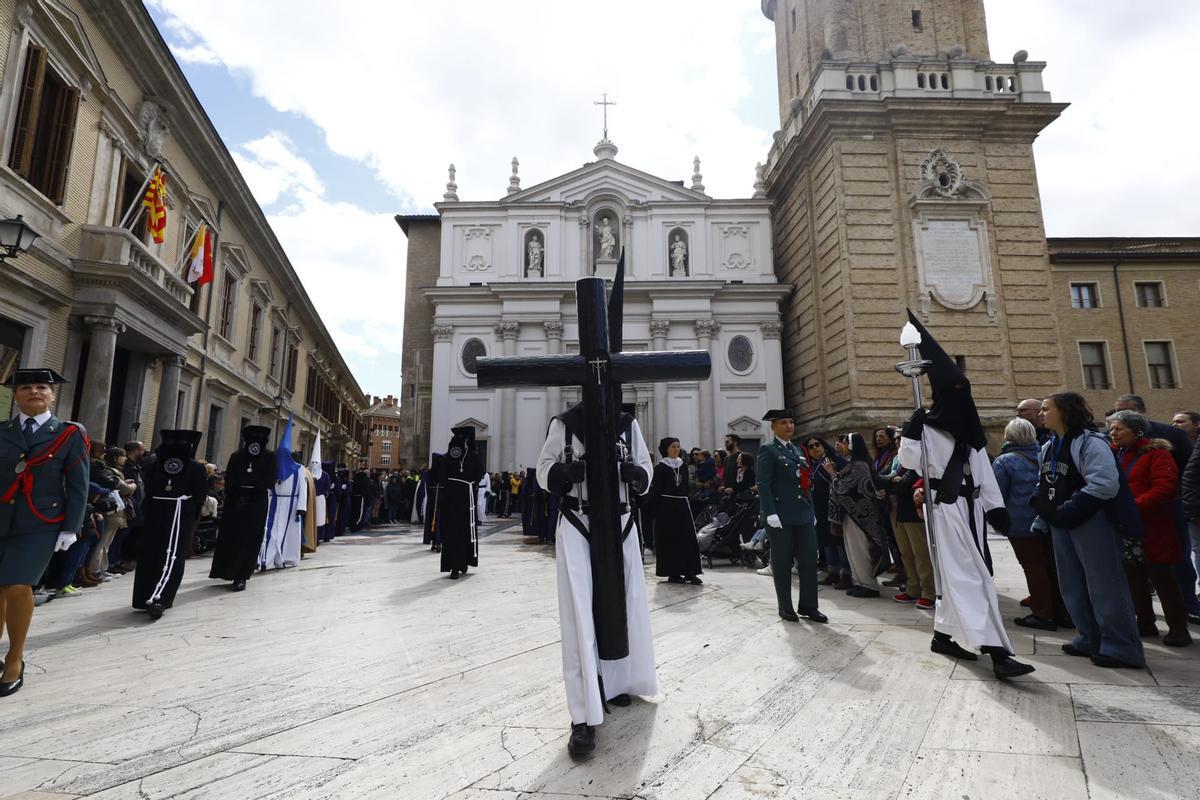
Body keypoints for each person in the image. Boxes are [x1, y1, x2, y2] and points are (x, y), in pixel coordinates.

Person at [898, 313, 1035, 679]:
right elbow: (910, 463)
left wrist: (996, 509)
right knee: (969, 577)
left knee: (961, 575)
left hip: (971, 507)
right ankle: (996, 651)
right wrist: (911, 433)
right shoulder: (925, 427)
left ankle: (943, 635)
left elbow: (983, 471)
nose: (964, 398)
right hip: (946, 510)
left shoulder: (969, 430)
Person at [536, 402, 655, 757]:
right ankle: (583, 716)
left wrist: (635, 474)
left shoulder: (626, 423)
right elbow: (543, 470)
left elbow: (646, 470)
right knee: (578, 614)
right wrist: (566, 472)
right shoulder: (566, 423)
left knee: (627, 605)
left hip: (621, 523)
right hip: (579, 522)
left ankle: (620, 680)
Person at [1033, 393, 1144, 669]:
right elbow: (1047, 485)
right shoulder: (1049, 446)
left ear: (1066, 412)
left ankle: (1121, 647)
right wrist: (1043, 516)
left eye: (1047, 409)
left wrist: (1071, 507)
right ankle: (1089, 638)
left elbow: (1105, 483)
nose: (1041, 414)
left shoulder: (1091, 443)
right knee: (1072, 585)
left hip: (1092, 520)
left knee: (1104, 585)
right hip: (1061, 524)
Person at [0, 369, 88, 696]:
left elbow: (78, 485)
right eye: (26, 387)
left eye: (41, 387)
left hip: (40, 523)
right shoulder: (4, 430)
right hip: (1, 518)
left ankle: (15, 657)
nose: (34, 392)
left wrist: (72, 527)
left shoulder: (66, 434)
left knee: (17, 584)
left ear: (52, 395)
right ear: (16, 395)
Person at [1113, 393, 1199, 625]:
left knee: (1165, 573)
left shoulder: (1160, 450)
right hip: (1130, 524)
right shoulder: (1116, 451)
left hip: (1159, 522)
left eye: (1119, 428)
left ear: (1136, 428)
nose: (1112, 432)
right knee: (1135, 574)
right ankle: (1145, 622)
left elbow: (1169, 485)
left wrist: (1133, 506)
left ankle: (1182, 621)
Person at [992, 417, 1069, 630]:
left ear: (1009, 437)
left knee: (1033, 567)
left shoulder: (1005, 461)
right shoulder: (1045, 454)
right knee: (1054, 567)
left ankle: (1043, 614)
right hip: (1049, 520)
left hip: (1021, 524)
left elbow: (997, 494)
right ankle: (1064, 612)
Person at [756, 409, 826, 624]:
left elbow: (805, 483)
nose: (789, 426)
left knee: (808, 560)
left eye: (791, 422)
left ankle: (808, 606)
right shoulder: (768, 450)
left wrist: (811, 511)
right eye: (784, 423)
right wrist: (770, 513)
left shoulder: (799, 450)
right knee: (782, 561)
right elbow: (763, 484)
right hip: (781, 514)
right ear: (773, 426)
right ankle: (785, 607)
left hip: (803, 513)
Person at [131, 429, 206, 620]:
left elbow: (198, 493)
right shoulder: (157, 464)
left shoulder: (190, 467)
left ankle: (160, 597)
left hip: (175, 512)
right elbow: (199, 495)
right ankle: (145, 596)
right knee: (152, 552)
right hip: (163, 510)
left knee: (171, 555)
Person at [209, 426, 276, 591]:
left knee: (250, 538)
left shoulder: (270, 457)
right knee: (231, 536)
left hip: (257, 503)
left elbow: (270, 478)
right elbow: (230, 477)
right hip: (235, 502)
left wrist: (253, 496)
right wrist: (236, 496)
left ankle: (242, 575)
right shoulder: (237, 456)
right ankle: (227, 570)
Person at [827, 433, 887, 598]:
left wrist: (832, 473)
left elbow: (844, 489)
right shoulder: (852, 464)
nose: (842, 446)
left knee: (861, 550)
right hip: (851, 514)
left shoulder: (860, 465)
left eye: (845, 443)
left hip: (860, 516)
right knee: (853, 550)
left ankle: (869, 585)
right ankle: (859, 582)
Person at [648, 437, 702, 585]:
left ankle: (690, 571)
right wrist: (654, 510)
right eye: (673, 447)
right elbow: (656, 491)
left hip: (683, 506)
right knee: (670, 540)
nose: (676, 449)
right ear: (666, 449)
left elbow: (686, 487)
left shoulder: (683, 466)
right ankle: (673, 572)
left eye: (678, 446)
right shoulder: (660, 468)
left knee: (688, 539)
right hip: (666, 508)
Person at [259, 421, 306, 569]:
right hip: (274, 502)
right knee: (270, 533)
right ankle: (267, 559)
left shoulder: (299, 469)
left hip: (291, 506)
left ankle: (286, 558)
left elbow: (302, 489)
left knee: (288, 535)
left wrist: (301, 507)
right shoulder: (271, 468)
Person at [439, 427, 485, 579]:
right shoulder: (473, 455)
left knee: (452, 530)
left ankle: (456, 565)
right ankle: (460, 564)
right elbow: (480, 473)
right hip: (465, 495)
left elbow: (441, 475)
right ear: (466, 441)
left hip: (451, 496)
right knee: (463, 530)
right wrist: (472, 483)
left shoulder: (448, 456)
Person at [806, 437, 850, 591]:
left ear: (823, 445)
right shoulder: (815, 465)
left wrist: (832, 473)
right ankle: (833, 571)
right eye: (810, 447)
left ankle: (846, 575)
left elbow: (846, 481)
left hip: (835, 507)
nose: (814, 448)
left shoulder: (835, 460)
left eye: (817, 444)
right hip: (820, 508)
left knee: (838, 540)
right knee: (826, 540)